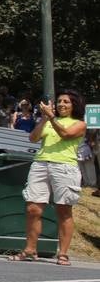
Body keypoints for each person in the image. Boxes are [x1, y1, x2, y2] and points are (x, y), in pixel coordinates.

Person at [8, 91, 85, 266]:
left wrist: (52, 118)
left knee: (63, 211)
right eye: (59, 101)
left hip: (65, 167)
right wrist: (44, 118)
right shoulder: (49, 121)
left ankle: (63, 254)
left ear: (74, 105)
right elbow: (33, 138)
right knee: (33, 209)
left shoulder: (79, 124)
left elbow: (66, 134)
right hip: (41, 164)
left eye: (66, 102)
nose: (61, 104)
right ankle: (30, 249)